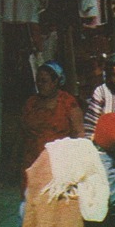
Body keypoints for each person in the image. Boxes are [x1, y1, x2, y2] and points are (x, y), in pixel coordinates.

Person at [19, 61, 84, 191]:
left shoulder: (68, 102)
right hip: (33, 161)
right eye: (38, 81)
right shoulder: (31, 103)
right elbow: (22, 133)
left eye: (44, 81)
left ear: (56, 82)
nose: (40, 85)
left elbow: (78, 133)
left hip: (58, 162)